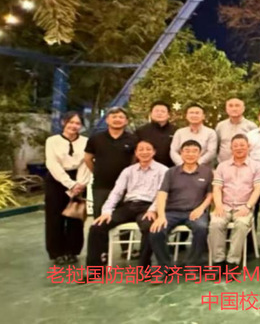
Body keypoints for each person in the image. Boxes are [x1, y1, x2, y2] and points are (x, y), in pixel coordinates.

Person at [85, 140, 168, 269]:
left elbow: (162, 193)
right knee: (97, 226)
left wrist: (153, 210)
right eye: (141, 149)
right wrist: (107, 211)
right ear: (136, 152)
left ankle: (144, 267)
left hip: (148, 207)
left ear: (154, 152)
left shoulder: (163, 170)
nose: (144, 152)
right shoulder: (128, 171)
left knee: (149, 227)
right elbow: (116, 192)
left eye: (148, 149)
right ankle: (94, 268)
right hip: (128, 206)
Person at [149, 140, 214, 273]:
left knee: (201, 228)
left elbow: (210, 194)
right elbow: (162, 194)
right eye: (187, 151)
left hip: (195, 211)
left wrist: (201, 208)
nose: (190, 154)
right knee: (156, 230)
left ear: (200, 154)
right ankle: (164, 266)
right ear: (181, 153)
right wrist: (161, 216)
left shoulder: (207, 172)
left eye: (194, 151)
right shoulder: (171, 172)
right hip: (172, 211)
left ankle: (192, 265)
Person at [209, 134, 260, 269]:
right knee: (215, 224)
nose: (239, 148)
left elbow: (258, 189)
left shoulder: (256, 166)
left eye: (242, 145)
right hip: (225, 205)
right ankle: (218, 261)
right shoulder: (222, 166)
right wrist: (218, 205)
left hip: (244, 206)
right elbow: (217, 188)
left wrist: (248, 206)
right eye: (235, 146)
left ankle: (232, 262)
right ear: (231, 148)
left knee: (241, 224)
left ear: (248, 147)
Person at [44, 111, 90, 264]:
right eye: (71, 122)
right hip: (57, 180)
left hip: (79, 179)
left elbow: (86, 163)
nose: (74, 126)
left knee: (75, 217)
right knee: (54, 217)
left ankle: (72, 251)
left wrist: (80, 184)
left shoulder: (86, 141)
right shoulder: (52, 141)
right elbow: (52, 164)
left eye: (77, 123)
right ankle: (56, 252)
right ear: (64, 123)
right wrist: (70, 184)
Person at [83, 107, 138, 218]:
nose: (117, 119)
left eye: (121, 117)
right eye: (114, 117)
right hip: (101, 186)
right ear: (107, 120)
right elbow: (88, 158)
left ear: (126, 121)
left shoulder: (133, 139)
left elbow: (135, 159)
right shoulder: (96, 138)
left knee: (123, 220)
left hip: (126, 187)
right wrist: (97, 171)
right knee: (99, 219)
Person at [215, 97, 257, 164]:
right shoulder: (220, 126)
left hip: (245, 166)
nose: (234, 109)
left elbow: (254, 148)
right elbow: (216, 147)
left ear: (243, 109)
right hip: (224, 165)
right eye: (230, 106)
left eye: (237, 106)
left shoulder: (251, 126)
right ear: (226, 109)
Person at [135, 101, 176, 168]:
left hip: (171, 169)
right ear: (151, 114)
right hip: (147, 168)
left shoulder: (176, 131)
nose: (159, 113)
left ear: (168, 115)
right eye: (156, 111)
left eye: (163, 111)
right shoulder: (141, 131)